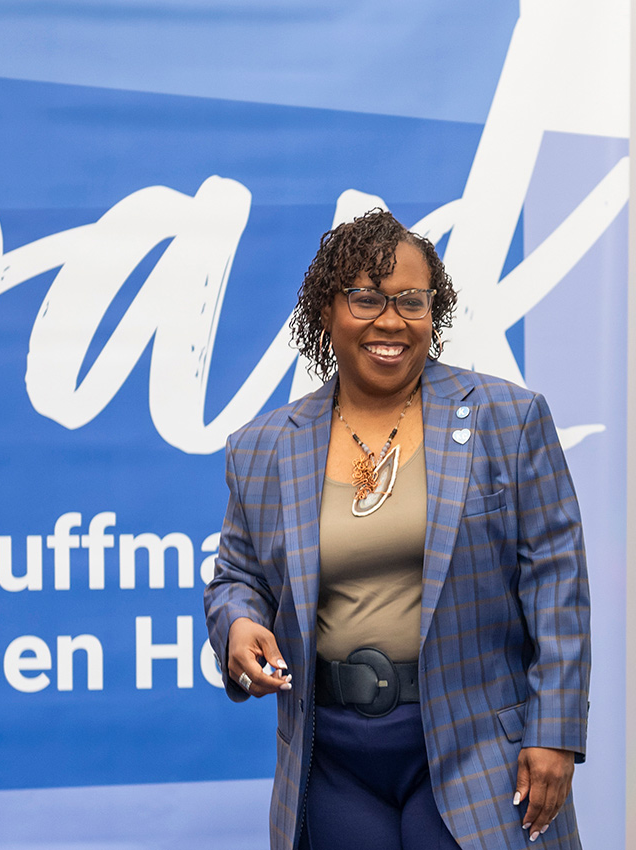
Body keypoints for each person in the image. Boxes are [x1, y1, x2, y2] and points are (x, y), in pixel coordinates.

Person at [203, 209, 589, 850]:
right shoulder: (263, 447)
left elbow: (558, 581)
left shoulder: (507, 419)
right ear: (328, 311)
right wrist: (238, 624)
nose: (390, 320)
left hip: (479, 748)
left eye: (411, 301)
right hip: (332, 757)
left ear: (433, 312)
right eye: (366, 299)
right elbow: (237, 577)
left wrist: (554, 729)